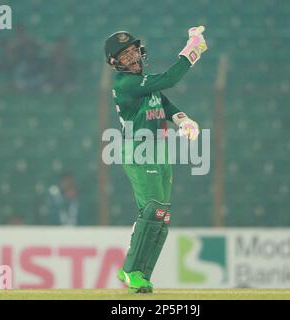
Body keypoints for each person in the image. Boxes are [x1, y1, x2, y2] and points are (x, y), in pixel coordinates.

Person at [104, 27, 208, 293]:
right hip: (139, 150)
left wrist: (182, 119)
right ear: (114, 63)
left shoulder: (143, 83)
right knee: (151, 210)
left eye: (132, 51)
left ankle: (142, 275)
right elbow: (170, 79)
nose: (131, 58)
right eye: (124, 55)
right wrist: (192, 50)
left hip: (159, 149)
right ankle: (129, 270)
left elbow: (163, 101)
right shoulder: (125, 83)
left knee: (161, 215)